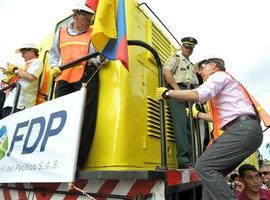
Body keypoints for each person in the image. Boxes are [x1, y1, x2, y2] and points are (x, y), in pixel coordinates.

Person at [156, 58, 263, 199]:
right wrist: (198, 114)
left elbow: (198, 94)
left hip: (242, 129)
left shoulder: (218, 76)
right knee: (210, 176)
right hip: (246, 129)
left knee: (204, 166)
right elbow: (221, 118)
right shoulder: (228, 87)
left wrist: (168, 93)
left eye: (203, 68)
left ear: (213, 66)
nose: (201, 73)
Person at [49, 3, 105, 168]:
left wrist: (103, 57)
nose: (89, 22)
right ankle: (58, 158)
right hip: (63, 78)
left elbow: (99, 58)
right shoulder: (60, 33)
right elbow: (54, 54)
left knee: (85, 119)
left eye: (91, 19)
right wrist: (53, 67)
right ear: (75, 16)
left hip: (87, 75)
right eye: (86, 18)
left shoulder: (94, 32)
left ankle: (77, 162)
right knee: (60, 117)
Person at [163, 37, 198, 168]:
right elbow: (166, 71)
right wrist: (177, 90)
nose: (188, 50)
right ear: (182, 47)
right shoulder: (176, 58)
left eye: (191, 48)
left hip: (189, 94)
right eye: (186, 47)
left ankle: (190, 159)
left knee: (189, 127)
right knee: (181, 125)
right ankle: (183, 160)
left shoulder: (191, 65)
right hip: (178, 90)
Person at [2, 44, 42, 117]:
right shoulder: (25, 66)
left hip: (21, 104)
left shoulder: (37, 62)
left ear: (32, 51)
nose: (22, 55)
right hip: (10, 103)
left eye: (24, 52)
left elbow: (31, 77)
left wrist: (15, 70)